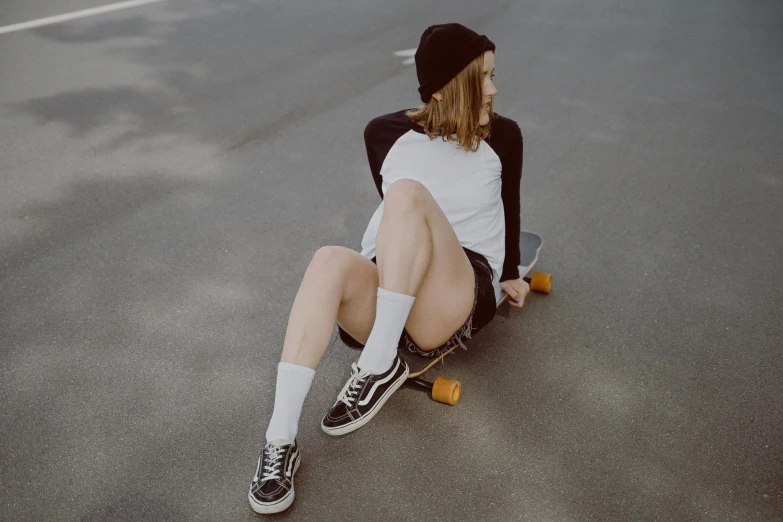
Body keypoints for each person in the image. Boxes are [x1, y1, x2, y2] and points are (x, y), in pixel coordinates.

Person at [248, 23, 528, 514]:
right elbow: (396, 225)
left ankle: (379, 362)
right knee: (328, 258)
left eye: (493, 76)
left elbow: (509, 210)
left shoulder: (503, 136)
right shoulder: (384, 133)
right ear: (444, 87)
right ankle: (279, 442)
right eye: (482, 78)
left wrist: (509, 274)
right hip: (392, 284)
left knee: (407, 192)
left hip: (457, 286)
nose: (494, 90)